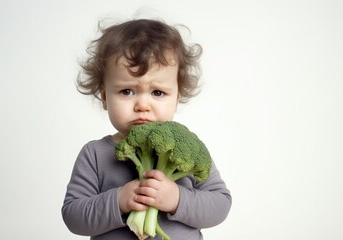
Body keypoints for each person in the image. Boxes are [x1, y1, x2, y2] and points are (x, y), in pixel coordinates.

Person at [62, 18, 232, 240]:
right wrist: (119, 200)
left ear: (177, 97)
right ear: (104, 97)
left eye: (158, 93)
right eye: (127, 91)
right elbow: (73, 217)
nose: (142, 105)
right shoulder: (94, 154)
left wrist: (177, 199)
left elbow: (220, 205)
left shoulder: (190, 151)